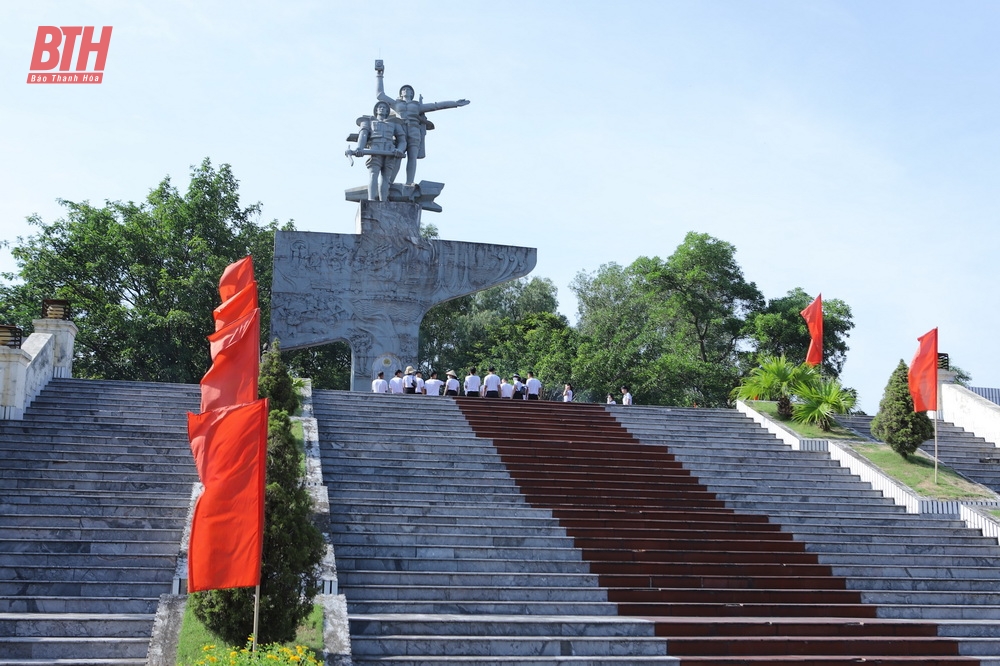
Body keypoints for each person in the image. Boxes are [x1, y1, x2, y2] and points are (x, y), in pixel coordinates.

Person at [376, 61, 470, 185]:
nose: (406, 90)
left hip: (414, 131)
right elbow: (380, 95)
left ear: (412, 93)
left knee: (412, 157)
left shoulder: (417, 106)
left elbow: (436, 106)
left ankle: (409, 183)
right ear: (400, 93)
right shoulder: (397, 104)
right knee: (397, 156)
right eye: (404, 89)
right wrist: (379, 75)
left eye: (408, 89)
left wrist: (455, 103)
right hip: (400, 131)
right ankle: (389, 183)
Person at [350, 100, 406, 201]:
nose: (382, 108)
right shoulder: (368, 122)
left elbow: (402, 140)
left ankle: (383, 202)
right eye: (379, 107)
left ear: (387, 111)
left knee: (386, 178)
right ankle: (371, 200)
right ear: (376, 110)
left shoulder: (394, 123)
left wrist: (400, 150)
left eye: (384, 107)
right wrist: (360, 148)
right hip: (375, 150)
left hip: (390, 151)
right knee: (373, 174)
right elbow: (363, 135)